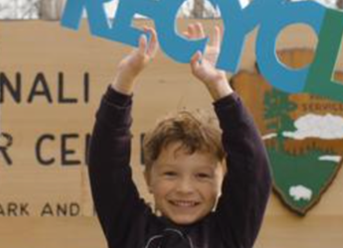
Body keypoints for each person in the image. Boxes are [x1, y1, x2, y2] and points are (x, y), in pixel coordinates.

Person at [88, 23, 271, 248]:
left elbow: (252, 167)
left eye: (202, 175)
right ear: (149, 179)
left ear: (222, 179)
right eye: (170, 173)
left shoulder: (230, 232)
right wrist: (125, 79)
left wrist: (218, 85)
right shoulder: (131, 228)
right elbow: (106, 165)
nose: (185, 188)